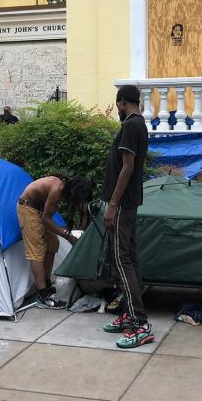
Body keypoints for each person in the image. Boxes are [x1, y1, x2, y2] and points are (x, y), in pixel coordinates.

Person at [101, 84, 152, 349]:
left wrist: (112, 204)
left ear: (122, 103)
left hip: (122, 205)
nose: (118, 110)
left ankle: (140, 324)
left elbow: (127, 168)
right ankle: (130, 315)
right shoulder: (138, 125)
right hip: (128, 204)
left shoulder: (131, 126)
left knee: (121, 260)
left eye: (118, 105)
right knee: (129, 259)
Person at [18, 175, 92, 308]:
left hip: (38, 209)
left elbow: (47, 216)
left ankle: (46, 283)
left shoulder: (62, 187)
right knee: (36, 251)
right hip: (27, 208)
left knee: (53, 244)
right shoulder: (57, 189)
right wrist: (68, 236)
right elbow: (47, 219)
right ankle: (43, 294)